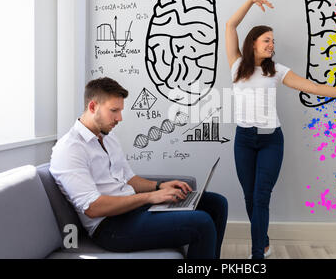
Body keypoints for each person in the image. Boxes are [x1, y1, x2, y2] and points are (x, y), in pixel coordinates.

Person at [225, 0, 336, 259]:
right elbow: (230, 26)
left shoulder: (277, 71)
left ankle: (256, 256)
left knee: (261, 196)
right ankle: (263, 241)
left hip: (271, 140)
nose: (272, 45)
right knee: (250, 198)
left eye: (273, 41)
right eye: (267, 40)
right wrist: (250, 1)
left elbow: (315, 87)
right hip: (244, 140)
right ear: (253, 42)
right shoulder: (237, 65)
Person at [50, 77, 228, 259]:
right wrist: (150, 197)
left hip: (134, 211)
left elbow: (130, 179)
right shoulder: (70, 149)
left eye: (120, 111)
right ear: (93, 107)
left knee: (217, 203)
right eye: (114, 111)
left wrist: (161, 187)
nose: (119, 118)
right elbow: (93, 208)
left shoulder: (109, 138)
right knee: (201, 223)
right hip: (110, 227)